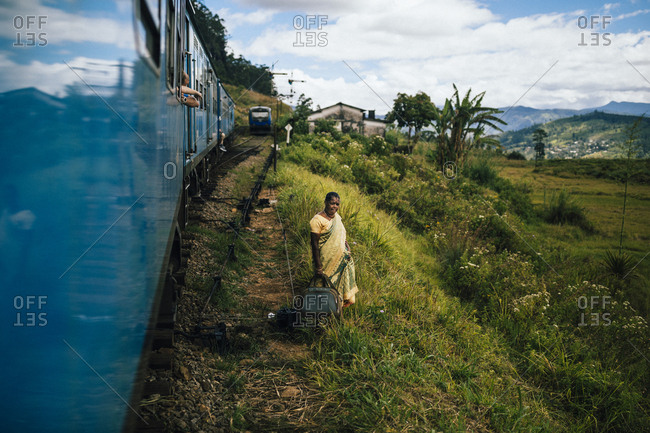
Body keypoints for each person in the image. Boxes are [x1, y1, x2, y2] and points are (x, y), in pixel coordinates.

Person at [310, 192, 358, 307]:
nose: (335, 207)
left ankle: (336, 312)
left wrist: (346, 246)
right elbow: (314, 245)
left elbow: (342, 234)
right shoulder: (317, 220)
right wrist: (318, 267)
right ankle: (321, 314)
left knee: (341, 292)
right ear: (326, 202)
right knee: (324, 288)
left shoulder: (337, 218)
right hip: (325, 262)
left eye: (337, 204)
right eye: (332, 203)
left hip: (342, 260)